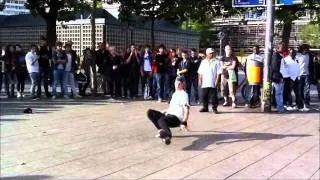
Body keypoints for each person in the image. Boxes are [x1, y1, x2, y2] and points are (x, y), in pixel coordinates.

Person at [147, 76, 190, 145]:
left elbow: (186, 109)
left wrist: (184, 122)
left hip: (176, 119)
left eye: (179, 83)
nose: (177, 85)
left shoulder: (184, 94)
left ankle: (168, 135)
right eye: (176, 83)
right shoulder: (174, 94)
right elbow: (172, 108)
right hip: (168, 115)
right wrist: (164, 111)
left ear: (183, 84)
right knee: (150, 112)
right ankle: (162, 131)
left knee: (161, 120)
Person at [281, 47, 306, 111]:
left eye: (294, 52)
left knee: (298, 93)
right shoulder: (285, 59)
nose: (293, 53)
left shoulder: (297, 59)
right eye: (291, 52)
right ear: (289, 53)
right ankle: (288, 105)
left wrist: (299, 75)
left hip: (297, 78)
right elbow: (283, 69)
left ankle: (299, 106)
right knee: (288, 92)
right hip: (289, 78)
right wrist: (286, 76)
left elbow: (299, 67)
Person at [198, 48, 220, 113]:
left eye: (213, 53)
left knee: (214, 96)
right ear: (207, 54)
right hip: (205, 81)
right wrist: (200, 79)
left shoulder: (217, 61)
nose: (212, 54)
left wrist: (217, 80)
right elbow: (200, 72)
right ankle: (205, 107)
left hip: (212, 81)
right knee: (204, 95)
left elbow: (219, 72)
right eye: (210, 53)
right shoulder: (203, 61)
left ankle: (214, 108)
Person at [270, 42, 285, 113]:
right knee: (278, 93)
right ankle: (279, 108)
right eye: (282, 47)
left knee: (279, 93)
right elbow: (275, 67)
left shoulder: (279, 55)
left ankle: (279, 107)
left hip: (278, 77)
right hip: (276, 77)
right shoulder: (275, 55)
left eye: (283, 47)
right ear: (278, 48)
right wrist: (281, 77)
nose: (283, 48)